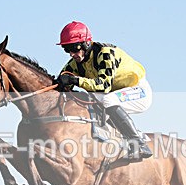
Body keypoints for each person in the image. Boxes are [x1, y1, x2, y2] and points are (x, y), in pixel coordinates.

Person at [54, 21, 153, 159]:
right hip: (115, 93)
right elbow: (61, 86)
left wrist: (75, 80)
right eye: (67, 49)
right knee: (91, 99)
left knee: (107, 99)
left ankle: (138, 144)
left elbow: (103, 85)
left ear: (86, 43)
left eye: (74, 48)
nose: (71, 54)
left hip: (138, 91)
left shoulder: (105, 53)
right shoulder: (74, 64)